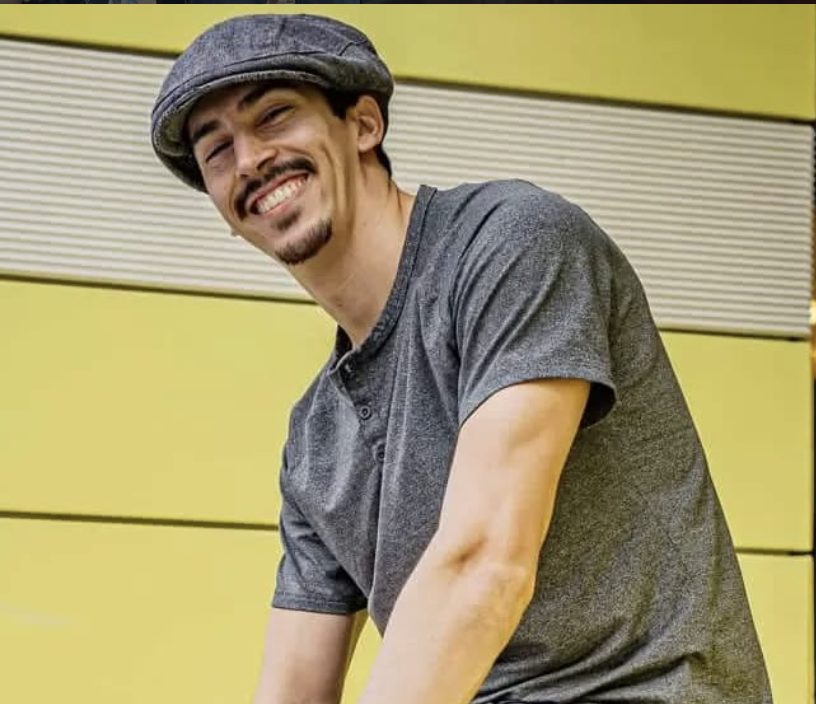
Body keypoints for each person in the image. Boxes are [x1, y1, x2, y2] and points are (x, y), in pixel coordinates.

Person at [150, 13, 772, 704]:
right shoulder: (315, 443)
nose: (249, 159)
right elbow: (293, 686)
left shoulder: (515, 246)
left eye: (274, 116)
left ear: (362, 125)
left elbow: (485, 566)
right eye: (216, 151)